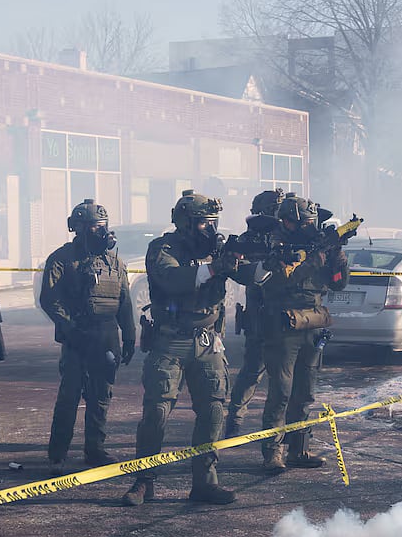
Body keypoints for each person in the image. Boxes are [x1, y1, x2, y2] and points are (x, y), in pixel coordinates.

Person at [121, 190, 249, 506]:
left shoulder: (216, 251)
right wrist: (216, 267)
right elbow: (174, 280)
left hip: (207, 342)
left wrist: (271, 262)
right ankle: (144, 481)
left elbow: (254, 278)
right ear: (187, 223)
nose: (211, 229)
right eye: (205, 223)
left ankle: (205, 482)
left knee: (213, 411)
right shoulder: (162, 249)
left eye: (213, 222)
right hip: (169, 340)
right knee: (156, 413)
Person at [40, 199, 136, 474]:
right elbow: (50, 299)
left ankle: (95, 450)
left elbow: (125, 301)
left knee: (101, 396)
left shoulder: (115, 262)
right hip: (78, 337)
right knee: (69, 397)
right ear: (79, 228)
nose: (101, 232)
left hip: (107, 337)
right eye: (95, 226)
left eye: (103, 226)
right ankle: (58, 455)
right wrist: (71, 330)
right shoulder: (62, 258)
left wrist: (129, 337)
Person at [259, 193, 349, 473]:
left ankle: (299, 448)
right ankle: (273, 452)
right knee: (281, 392)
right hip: (284, 324)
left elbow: (338, 285)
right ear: (288, 222)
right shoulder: (274, 245)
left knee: (305, 393)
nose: (311, 227)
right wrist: (313, 260)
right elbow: (278, 283)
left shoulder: (315, 247)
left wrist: (336, 256)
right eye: (306, 222)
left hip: (313, 322)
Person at [223, 188, 284, 439]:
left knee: (284, 377)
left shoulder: (288, 236)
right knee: (252, 372)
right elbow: (243, 270)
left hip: (285, 312)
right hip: (260, 312)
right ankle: (234, 423)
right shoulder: (252, 238)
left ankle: (287, 430)